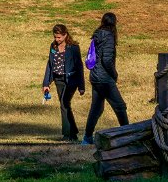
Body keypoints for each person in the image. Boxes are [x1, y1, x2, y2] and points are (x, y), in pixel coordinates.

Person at [82, 13, 128, 145]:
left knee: (96, 109)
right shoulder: (109, 37)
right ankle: (127, 135)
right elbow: (107, 60)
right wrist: (114, 74)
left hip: (95, 77)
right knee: (120, 107)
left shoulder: (97, 35)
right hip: (105, 78)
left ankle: (87, 137)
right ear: (114, 23)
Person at [42, 24, 86, 141]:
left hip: (71, 80)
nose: (57, 40)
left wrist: (81, 86)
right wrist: (46, 83)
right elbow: (50, 65)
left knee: (64, 103)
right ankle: (73, 134)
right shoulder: (53, 46)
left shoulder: (73, 47)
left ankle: (68, 134)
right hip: (58, 80)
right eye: (55, 37)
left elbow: (79, 66)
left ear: (65, 35)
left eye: (59, 37)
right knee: (65, 105)